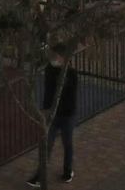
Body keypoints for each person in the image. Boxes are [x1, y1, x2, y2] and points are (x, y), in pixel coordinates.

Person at [27, 43, 78, 187]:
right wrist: (45, 108)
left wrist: (53, 109)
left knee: (67, 143)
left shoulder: (71, 74)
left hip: (67, 115)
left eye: (56, 56)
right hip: (52, 115)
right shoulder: (50, 69)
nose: (53, 58)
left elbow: (70, 98)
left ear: (63, 58)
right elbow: (48, 91)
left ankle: (68, 170)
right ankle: (39, 175)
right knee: (47, 143)